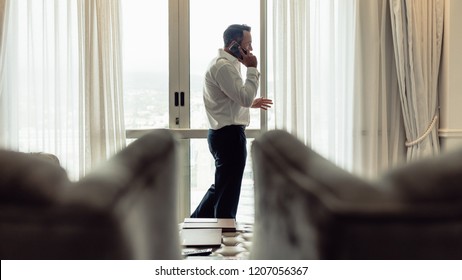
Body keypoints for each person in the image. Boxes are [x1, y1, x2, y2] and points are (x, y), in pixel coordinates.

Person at [190, 24, 273, 219]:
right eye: (248, 44)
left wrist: (250, 103)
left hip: (223, 134)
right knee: (228, 193)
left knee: (222, 187)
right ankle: (225, 241)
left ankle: (193, 225)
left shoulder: (227, 64)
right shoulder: (224, 66)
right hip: (229, 136)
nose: (251, 49)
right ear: (234, 44)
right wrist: (252, 69)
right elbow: (243, 98)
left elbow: (230, 99)